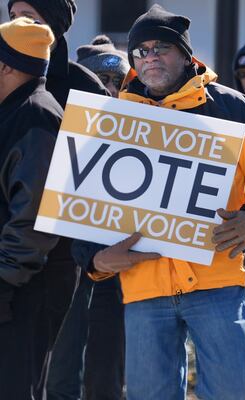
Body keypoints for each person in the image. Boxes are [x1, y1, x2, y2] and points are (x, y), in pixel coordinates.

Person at [71, 5, 245, 400]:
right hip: (143, 287)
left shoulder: (234, 108)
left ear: (185, 54)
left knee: (233, 391)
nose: (150, 57)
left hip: (218, 280)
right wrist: (93, 258)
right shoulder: (112, 119)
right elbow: (82, 202)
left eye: (160, 47)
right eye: (140, 50)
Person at [8, 4, 111, 395]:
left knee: (55, 369)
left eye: (33, 15)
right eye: (15, 11)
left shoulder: (85, 87)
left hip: (63, 251)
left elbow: (108, 173)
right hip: (9, 243)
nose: (22, 22)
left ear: (56, 24)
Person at [43, 35, 130, 400]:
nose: (109, 89)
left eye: (118, 82)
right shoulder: (56, 123)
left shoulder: (146, 133)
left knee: (109, 371)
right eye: (101, 80)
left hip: (121, 265)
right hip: (66, 259)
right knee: (61, 369)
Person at [0, 17, 63, 399]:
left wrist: (3, 281)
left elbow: (34, 219)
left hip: (21, 289)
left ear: (6, 65)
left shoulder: (36, 114)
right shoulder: (17, 109)